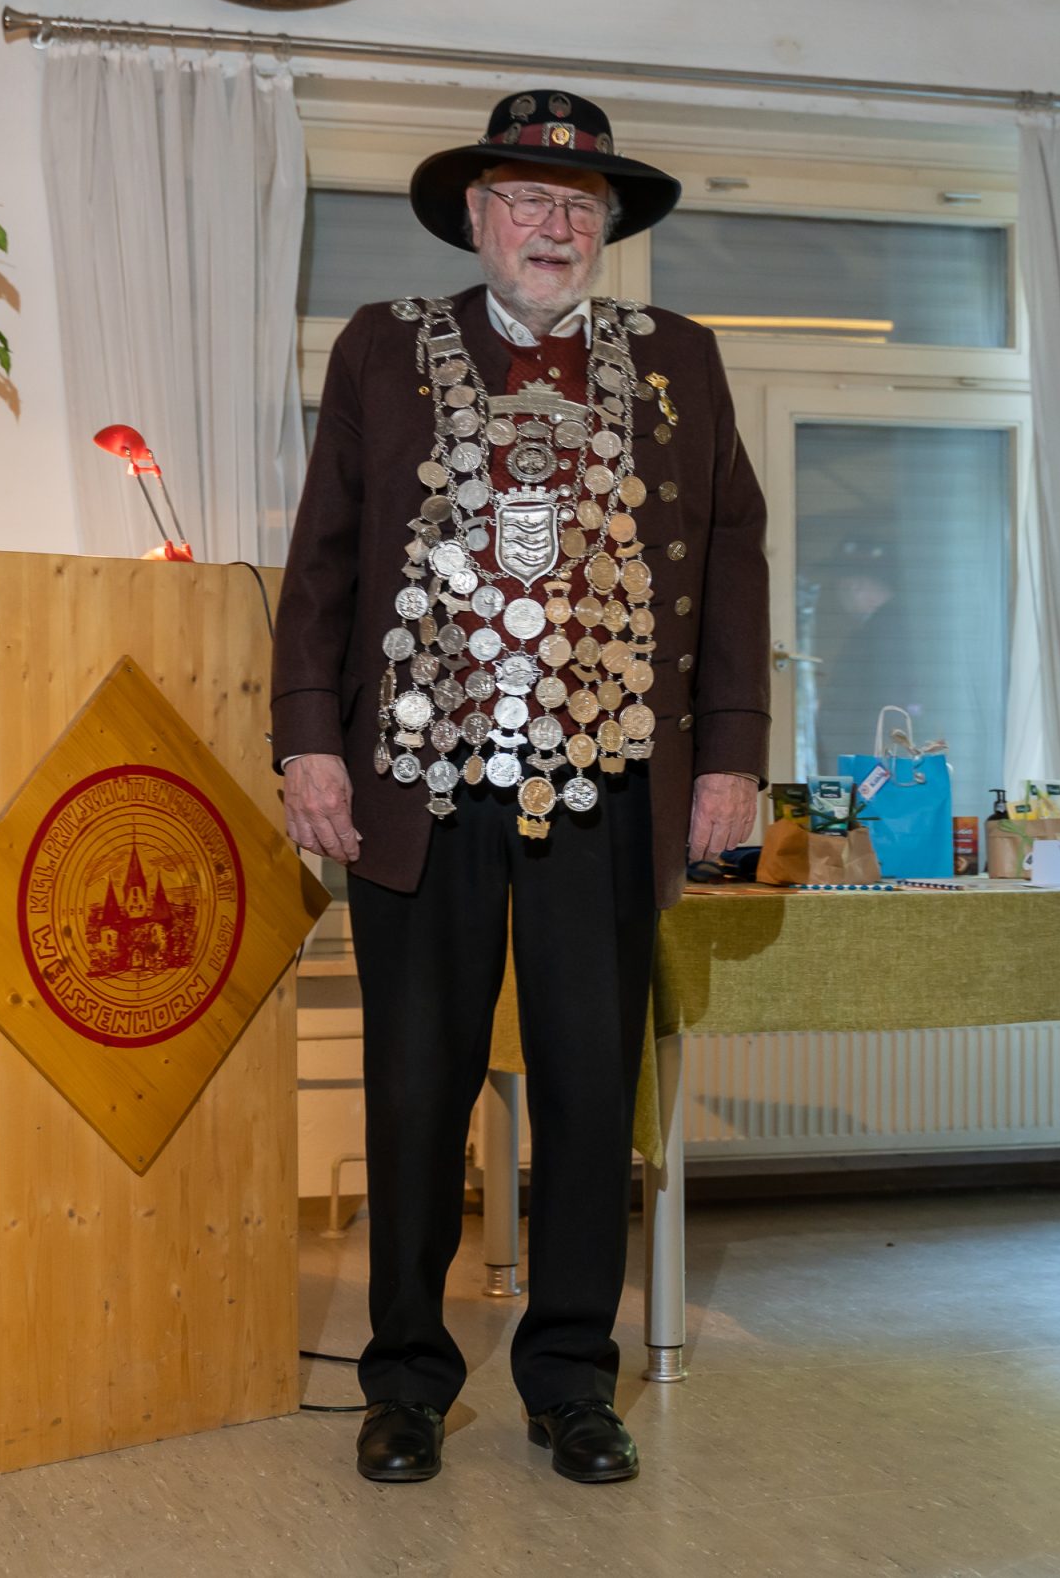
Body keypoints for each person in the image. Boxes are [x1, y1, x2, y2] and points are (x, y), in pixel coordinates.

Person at [272, 91, 769, 1484]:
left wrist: (730, 751)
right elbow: (323, 555)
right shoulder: (382, 345)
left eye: (578, 206)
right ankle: (406, 1379)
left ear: (604, 227)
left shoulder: (678, 358)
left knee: (590, 1087)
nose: (554, 226)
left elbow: (734, 556)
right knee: (413, 1085)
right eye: (527, 200)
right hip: (418, 778)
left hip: (605, 777)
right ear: (476, 215)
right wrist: (308, 737)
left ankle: (569, 1378)